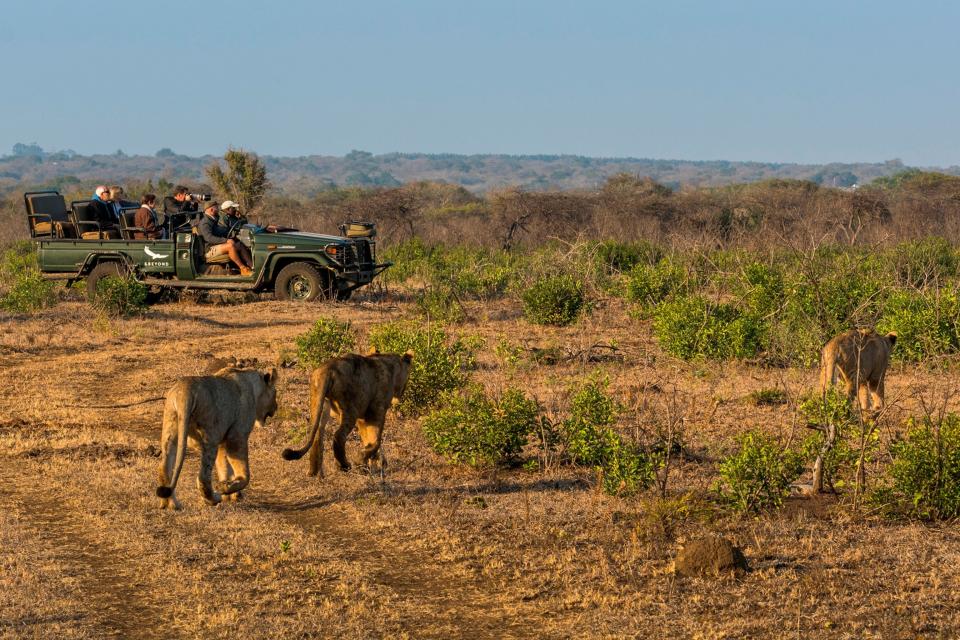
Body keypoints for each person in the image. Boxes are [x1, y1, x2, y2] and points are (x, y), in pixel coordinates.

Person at [197, 201, 254, 276]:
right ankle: (243, 269)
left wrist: (232, 235)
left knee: (239, 244)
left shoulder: (213, 220)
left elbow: (222, 230)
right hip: (209, 249)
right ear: (211, 210)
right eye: (216, 208)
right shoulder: (205, 222)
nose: (218, 209)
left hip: (215, 245)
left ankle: (252, 266)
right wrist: (226, 240)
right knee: (230, 246)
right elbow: (208, 238)